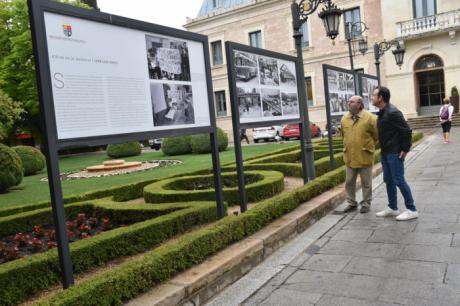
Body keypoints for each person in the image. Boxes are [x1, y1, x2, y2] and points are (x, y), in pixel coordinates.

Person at [372, 86, 418, 221]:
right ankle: (393, 208)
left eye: (374, 95)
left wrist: (405, 149)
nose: (372, 97)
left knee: (399, 180)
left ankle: (412, 209)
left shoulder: (393, 112)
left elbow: (406, 131)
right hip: (386, 152)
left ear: (380, 97)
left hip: (394, 152)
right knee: (388, 180)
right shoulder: (383, 112)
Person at [341, 96, 378, 214]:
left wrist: (367, 146)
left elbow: (376, 136)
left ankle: (366, 204)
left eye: (351, 102)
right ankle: (351, 203)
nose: (348, 103)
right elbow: (343, 135)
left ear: (359, 104)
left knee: (366, 183)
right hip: (350, 157)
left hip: (364, 156)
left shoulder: (370, 118)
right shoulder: (344, 119)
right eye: (349, 101)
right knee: (349, 182)